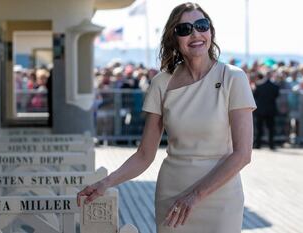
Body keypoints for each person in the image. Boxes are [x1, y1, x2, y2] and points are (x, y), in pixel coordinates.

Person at [77, 2, 256, 233]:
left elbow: (243, 155)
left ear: (210, 30)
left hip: (221, 198)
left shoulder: (234, 78)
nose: (195, 34)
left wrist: (194, 196)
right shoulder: (162, 83)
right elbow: (144, 155)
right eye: (185, 29)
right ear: (174, 38)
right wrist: (105, 183)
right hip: (172, 197)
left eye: (201, 25)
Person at [253, 72, 280, 149]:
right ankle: (271, 145)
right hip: (270, 110)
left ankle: (258, 145)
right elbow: (276, 95)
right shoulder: (275, 86)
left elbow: (255, 95)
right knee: (271, 128)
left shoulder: (259, 85)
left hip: (260, 110)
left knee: (259, 128)